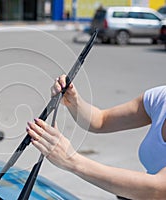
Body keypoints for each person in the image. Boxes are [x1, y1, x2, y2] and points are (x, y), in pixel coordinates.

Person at [26, 74, 166, 199]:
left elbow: (158, 189)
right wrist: (74, 102)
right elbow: (101, 120)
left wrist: (72, 160)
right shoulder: (161, 98)